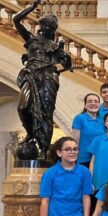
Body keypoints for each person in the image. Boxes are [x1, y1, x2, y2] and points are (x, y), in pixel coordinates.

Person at [14, 0, 72, 155]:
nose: (45, 28)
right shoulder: (31, 40)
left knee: (46, 112)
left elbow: (67, 65)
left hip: (48, 77)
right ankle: (30, 133)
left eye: (49, 27)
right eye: (44, 25)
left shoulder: (54, 46)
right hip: (31, 74)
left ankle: (44, 149)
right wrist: (32, 8)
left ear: (53, 30)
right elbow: (16, 20)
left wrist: (64, 55)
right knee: (23, 106)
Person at [72, 93, 104, 168]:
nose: (93, 103)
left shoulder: (103, 120)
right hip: (83, 159)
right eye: (90, 101)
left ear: (99, 105)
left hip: (99, 158)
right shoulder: (79, 118)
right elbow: (75, 141)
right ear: (85, 105)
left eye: (96, 101)